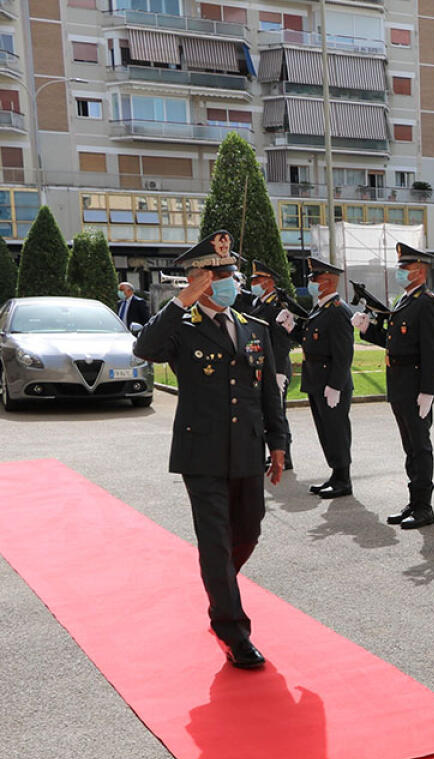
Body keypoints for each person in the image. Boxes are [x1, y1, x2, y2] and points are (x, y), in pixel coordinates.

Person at [132, 230, 287, 669]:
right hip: (202, 454)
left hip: (247, 451)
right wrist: (181, 302)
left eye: (231, 274)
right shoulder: (181, 327)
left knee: (249, 531)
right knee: (216, 542)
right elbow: (144, 348)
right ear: (198, 279)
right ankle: (233, 628)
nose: (229, 282)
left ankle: (219, 588)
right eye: (218, 275)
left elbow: (268, 394)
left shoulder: (253, 328)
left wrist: (279, 444)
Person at [351, 241, 434, 528]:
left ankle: (424, 507)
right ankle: (414, 501)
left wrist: (428, 390)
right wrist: (367, 330)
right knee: (409, 446)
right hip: (399, 383)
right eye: (400, 267)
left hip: (416, 385)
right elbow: (393, 342)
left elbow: (433, 351)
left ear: (420, 271)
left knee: (420, 445)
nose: (400, 271)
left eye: (405, 267)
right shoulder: (403, 301)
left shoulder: (426, 303)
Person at [276, 256, 355, 499]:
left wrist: (335, 385)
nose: (311, 283)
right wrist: (292, 328)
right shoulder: (319, 308)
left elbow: (343, 354)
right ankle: (335, 474)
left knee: (336, 430)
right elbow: (310, 340)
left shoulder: (339, 312)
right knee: (325, 430)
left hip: (330, 383)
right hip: (316, 380)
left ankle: (343, 479)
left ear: (329, 282)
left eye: (315, 279)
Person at [241, 259, 298, 471]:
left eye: (258, 279)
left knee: (277, 412)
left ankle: (286, 454)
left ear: (269, 282)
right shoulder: (259, 304)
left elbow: (283, 342)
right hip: (263, 367)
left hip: (277, 368)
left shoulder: (279, 306)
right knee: (267, 413)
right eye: (253, 279)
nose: (253, 282)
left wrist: (279, 372)